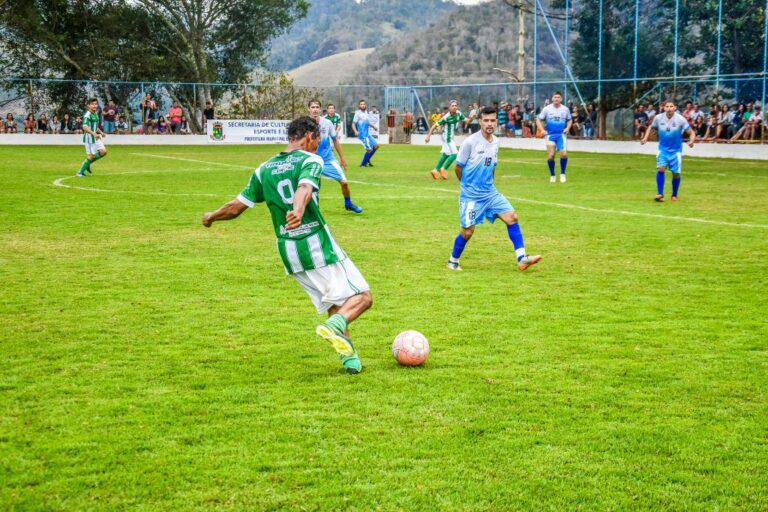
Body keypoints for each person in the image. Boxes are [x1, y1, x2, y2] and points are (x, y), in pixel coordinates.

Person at [202, 116, 372, 375]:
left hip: (290, 254)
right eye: (317, 140)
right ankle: (336, 328)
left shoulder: (264, 168)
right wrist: (299, 209)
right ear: (308, 137)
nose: (318, 146)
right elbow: (304, 187)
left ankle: (350, 361)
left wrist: (211, 216)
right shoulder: (310, 160)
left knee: (337, 305)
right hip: (317, 245)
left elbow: (236, 207)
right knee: (363, 297)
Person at [447, 106, 542, 272]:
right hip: (471, 195)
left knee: (512, 217)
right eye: (486, 120)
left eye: (492, 120)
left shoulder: (496, 141)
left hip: (490, 193)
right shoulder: (470, 142)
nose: (489, 124)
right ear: (480, 122)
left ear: (497, 122)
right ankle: (452, 261)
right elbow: (458, 167)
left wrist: (489, 183)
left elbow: (492, 166)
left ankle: (522, 258)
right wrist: (468, 187)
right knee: (468, 232)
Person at [308, 99, 363, 214]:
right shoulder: (304, 124)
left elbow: (335, 140)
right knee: (312, 187)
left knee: (344, 182)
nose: (315, 109)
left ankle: (348, 203)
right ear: (308, 109)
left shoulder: (327, 123)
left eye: (317, 107)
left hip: (328, 159)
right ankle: (314, 211)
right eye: (312, 107)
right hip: (311, 160)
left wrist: (342, 158)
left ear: (320, 109)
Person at [640, 100, 695, 202]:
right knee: (661, 168)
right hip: (663, 150)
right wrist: (645, 138)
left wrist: (691, 141)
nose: (669, 108)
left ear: (675, 108)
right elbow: (650, 128)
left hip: (676, 151)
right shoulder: (658, 118)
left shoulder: (680, 119)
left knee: (676, 174)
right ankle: (660, 193)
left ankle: (674, 195)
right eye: (667, 106)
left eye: (671, 106)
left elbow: (691, 132)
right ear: (664, 108)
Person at [425, 99, 468, 180]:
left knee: (446, 154)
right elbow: (434, 126)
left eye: (456, 105)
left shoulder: (459, 113)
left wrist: (471, 119)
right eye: (453, 106)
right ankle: (443, 169)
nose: (454, 107)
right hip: (447, 137)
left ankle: (435, 170)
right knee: (455, 154)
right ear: (449, 107)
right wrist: (428, 136)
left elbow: (467, 120)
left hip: (450, 136)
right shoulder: (446, 117)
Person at [535, 91, 572, 183]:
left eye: (558, 97)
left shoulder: (565, 109)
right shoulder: (547, 109)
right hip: (550, 135)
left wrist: (567, 128)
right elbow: (538, 120)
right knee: (551, 156)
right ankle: (552, 175)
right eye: (555, 97)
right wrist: (542, 130)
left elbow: (569, 120)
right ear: (552, 99)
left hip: (561, 135)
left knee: (563, 154)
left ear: (561, 99)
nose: (556, 99)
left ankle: (563, 174)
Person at [76, 98, 108, 177]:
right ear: (88, 105)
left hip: (95, 137)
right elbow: (84, 127)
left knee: (103, 152)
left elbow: (95, 126)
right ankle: (80, 172)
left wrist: (101, 132)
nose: (94, 106)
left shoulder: (96, 113)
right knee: (92, 156)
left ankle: (88, 163)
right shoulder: (88, 115)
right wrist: (94, 134)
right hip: (90, 138)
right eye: (92, 104)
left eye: (96, 104)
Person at [352, 99, 379, 167]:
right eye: (361, 104)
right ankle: (363, 164)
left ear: (365, 105)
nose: (363, 105)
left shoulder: (366, 112)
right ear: (359, 105)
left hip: (368, 134)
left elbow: (367, 122)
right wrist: (355, 131)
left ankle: (367, 160)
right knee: (369, 150)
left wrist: (373, 127)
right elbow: (353, 124)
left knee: (376, 146)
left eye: (364, 104)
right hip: (362, 135)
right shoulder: (357, 113)